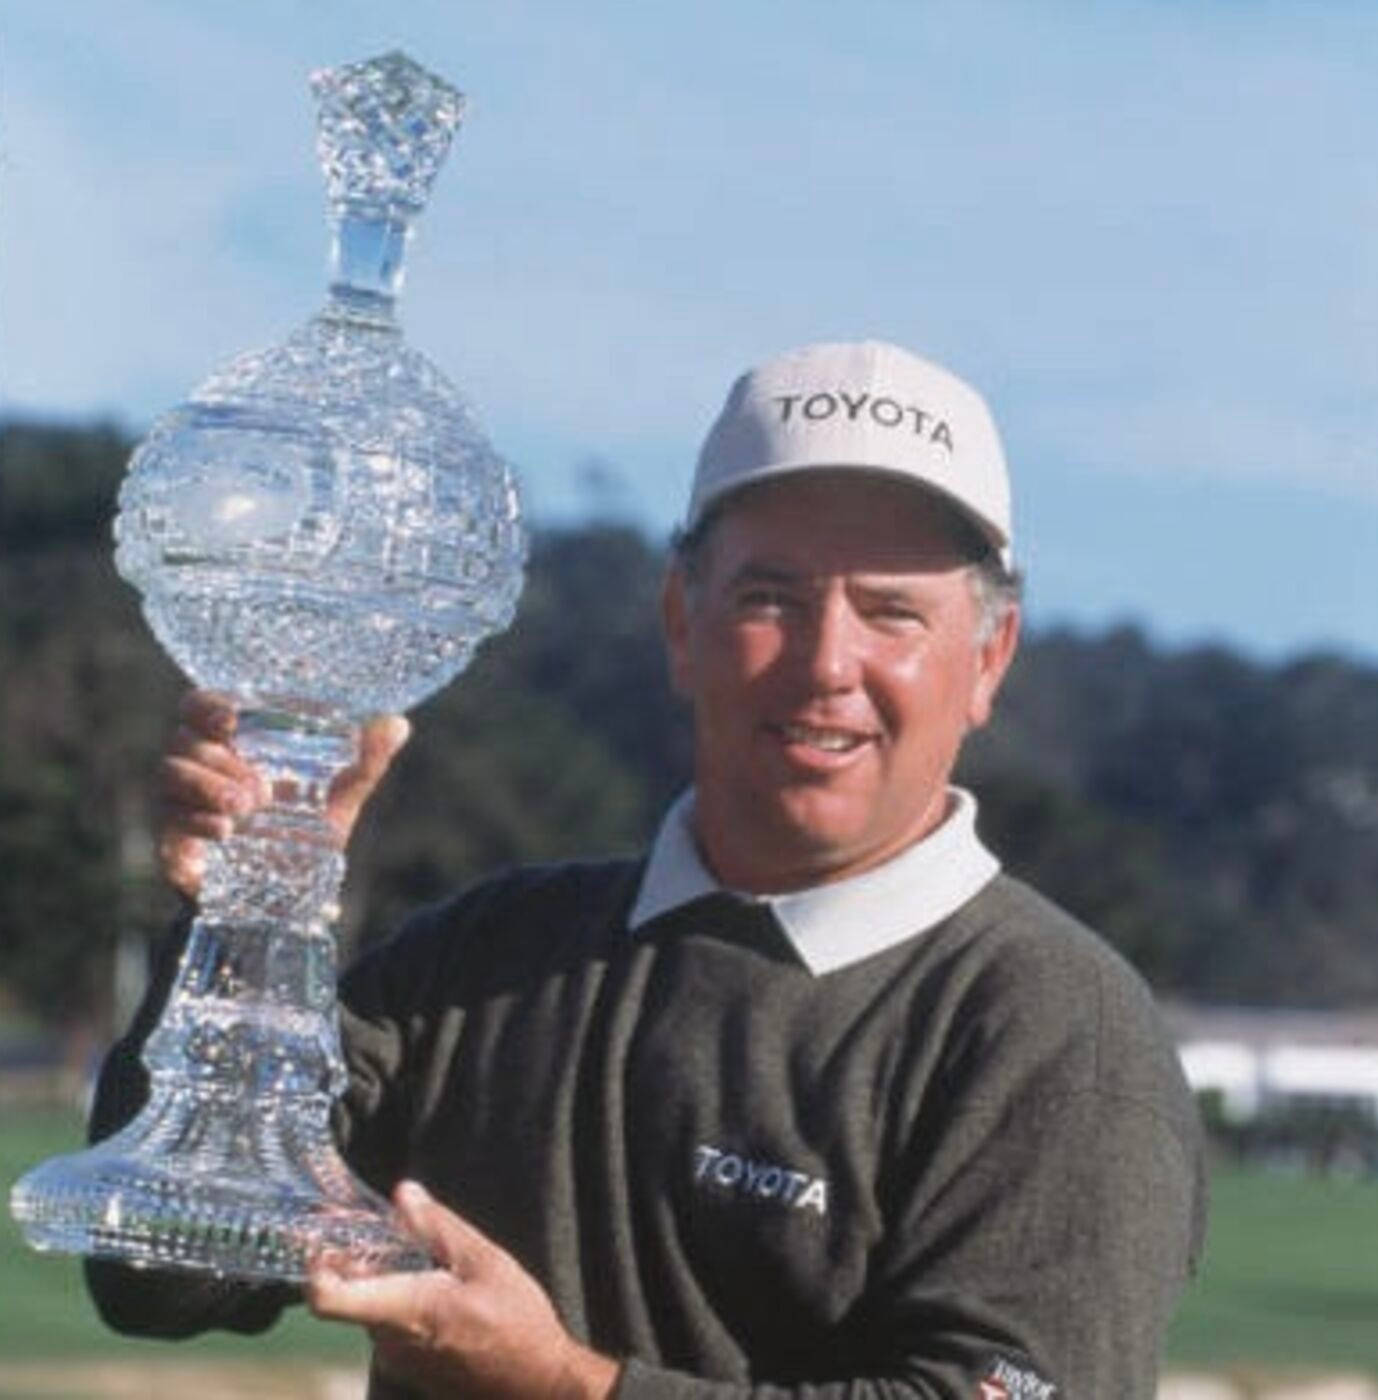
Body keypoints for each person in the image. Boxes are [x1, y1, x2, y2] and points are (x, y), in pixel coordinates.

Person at [88, 340, 1206, 1399]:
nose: (826, 661)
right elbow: (167, 1272)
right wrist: (250, 912)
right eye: (770, 596)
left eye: (891, 611)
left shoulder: (1054, 1028)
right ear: (680, 621)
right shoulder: (481, 958)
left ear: (986, 659)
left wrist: (568, 1383)